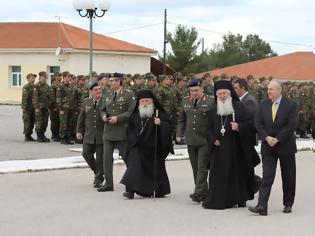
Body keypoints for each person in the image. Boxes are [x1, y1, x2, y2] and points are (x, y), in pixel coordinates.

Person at [202, 80, 259, 209]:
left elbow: (253, 124)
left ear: (230, 94)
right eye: (219, 94)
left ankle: (240, 198)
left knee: (237, 174)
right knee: (218, 175)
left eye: (224, 93)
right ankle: (219, 198)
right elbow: (208, 128)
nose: (222, 96)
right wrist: (212, 139)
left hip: (236, 148)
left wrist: (240, 127)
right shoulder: (213, 109)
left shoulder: (239, 107)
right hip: (219, 149)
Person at [249, 80, 297, 216]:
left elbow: (291, 125)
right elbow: (258, 123)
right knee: (267, 176)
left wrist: (278, 139)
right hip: (268, 146)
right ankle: (262, 206)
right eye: (268, 89)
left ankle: (288, 203)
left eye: (271, 89)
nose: (268, 91)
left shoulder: (291, 105)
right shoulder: (263, 104)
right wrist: (266, 137)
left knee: (288, 176)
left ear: (280, 90)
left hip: (285, 146)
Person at [121, 90, 173, 199]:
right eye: (143, 101)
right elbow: (129, 130)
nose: (145, 103)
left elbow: (169, 127)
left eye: (147, 101)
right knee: (134, 164)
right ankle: (130, 190)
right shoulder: (135, 115)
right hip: (137, 146)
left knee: (154, 169)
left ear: (152, 102)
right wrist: (133, 141)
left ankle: (157, 190)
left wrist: (161, 124)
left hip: (154, 146)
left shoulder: (159, 113)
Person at [176, 79, 214, 202]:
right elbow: (182, 120)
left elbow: (214, 121)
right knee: (195, 168)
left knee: (202, 166)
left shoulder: (211, 101)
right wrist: (178, 134)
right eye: (192, 91)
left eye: (196, 90)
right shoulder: (186, 101)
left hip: (204, 140)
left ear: (202, 89)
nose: (194, 93)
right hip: (191, 139)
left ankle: (198, 193)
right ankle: (204, 192)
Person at [97, 73, 136, 192]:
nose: (110, 83)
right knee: (107, 159)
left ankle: (133, 182)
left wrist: (118, 118)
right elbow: (102, 109)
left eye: (112, 81)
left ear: (119, 81)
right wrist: (104, 117)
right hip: (108, 131)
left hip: (122, 131)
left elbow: (131, 111)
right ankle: (108, 184)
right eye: (110, 80)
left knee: (127, 159)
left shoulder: (128, 95)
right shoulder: (107, 94)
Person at [76, 81, 104, 188]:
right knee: (86, 154)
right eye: (96, 90)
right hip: (89, 134)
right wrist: (79, 131)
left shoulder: (105, 101)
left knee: (101, 158)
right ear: (91, 92)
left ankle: (99, 179)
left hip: (101, 134)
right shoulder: (86, 102)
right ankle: (98, 171)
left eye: (99, 89)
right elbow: (81, 117)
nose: (98, 91)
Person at [32, 71, 50, 142]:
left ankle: (43, 135)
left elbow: (48, 97)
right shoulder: (36, 86)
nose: (46, 78)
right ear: (41, 77)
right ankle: (39, 136)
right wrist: (36, 107)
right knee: (39, 122)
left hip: (45, 107)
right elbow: (35, 97)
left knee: (45, 122)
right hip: (39, 107)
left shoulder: (46, 86)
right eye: (45, 77)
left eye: (46, 77)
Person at [22, 73, 36, 142]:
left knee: (32, 122)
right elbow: (25, 98)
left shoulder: (35, 86)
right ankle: (26, 136)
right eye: (32, 78)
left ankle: (29, 135)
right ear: (28, 79)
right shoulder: (26, 87)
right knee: (27, 122)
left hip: (33, 107)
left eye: (34, 78)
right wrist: (24, 108)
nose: (33, 79)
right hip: (27, 108)